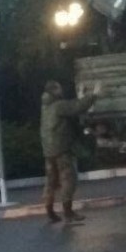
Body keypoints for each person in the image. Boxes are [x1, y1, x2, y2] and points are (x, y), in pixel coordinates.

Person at [40, 80, 99, 224]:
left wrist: (80, 95)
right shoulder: (58, 106)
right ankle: (68, 212)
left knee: (51, 181)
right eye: (59, 88)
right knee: (68, 180)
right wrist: (94, 95)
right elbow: (77, 107)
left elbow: (72, 107)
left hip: (48, 150)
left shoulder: (45, 106)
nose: (62, 91)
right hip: (62, 149)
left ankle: (50, 211)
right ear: (54, 90)